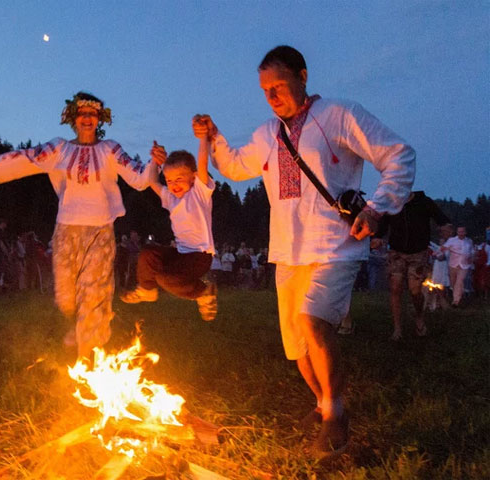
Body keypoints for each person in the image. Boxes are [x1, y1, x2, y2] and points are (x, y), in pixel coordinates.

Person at [193, 45, 415, 458]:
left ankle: (336, 417)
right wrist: (214, 136)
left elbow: (398, 154)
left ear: (303, 76)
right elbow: (237, 167)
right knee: (297, 346)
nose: (272, 95)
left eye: (279, 85)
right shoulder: (267, 134)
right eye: (265, 90)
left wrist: (376, 206)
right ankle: (322, 401)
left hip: (335, 244)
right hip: (288, 249)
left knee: (315, 324)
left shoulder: (339, 115)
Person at [0, 91, 152, 359]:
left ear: (99, 119)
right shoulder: (59, 149)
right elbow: (20, 161)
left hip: (100, 231)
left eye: (92, 114)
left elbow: (138, 177)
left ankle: (87, 354)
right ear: (73, 118)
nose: (87, 119)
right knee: (66, 298)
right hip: (66, 231)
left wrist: (155, 163)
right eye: (82, 114)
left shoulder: (110, 149)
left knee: (94, 294)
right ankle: (82, 330)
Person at [120, 139, 217, 321]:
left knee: (166, 279)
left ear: (194, 177)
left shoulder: (199, 194)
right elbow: (152, 181)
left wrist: (203, 138)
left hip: (199, 256)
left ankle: (203, 292)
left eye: (179, 179)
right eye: (170, 180)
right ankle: (147, 290)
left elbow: (202, 162)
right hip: (180, 254)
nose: (174, 184)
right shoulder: (171, 198)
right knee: (148, 253)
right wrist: (156, 161)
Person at [376, 191, 451, 340]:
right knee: (395, 287)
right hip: (396, 252)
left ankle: (419, 316)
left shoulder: (423, 201)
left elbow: (441, 219)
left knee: (415, 290)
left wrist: (446, 227)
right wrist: (377, 238)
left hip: (418, 252)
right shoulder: (391, 203)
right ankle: (397, 328)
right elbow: (383, 226)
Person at [443, 226, 474, 307]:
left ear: (465, 232)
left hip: (464, 265)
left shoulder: (469, 241)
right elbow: (444, 247)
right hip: (453, 264)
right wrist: (438, 253)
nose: (461, 233)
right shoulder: (452, 240)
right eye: (459, 232)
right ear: (457, 232)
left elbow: (472, 251)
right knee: (453, 282)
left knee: (459, 281)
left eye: (462, 232)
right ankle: (460, 294)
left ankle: (455, 301)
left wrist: (472, 258)